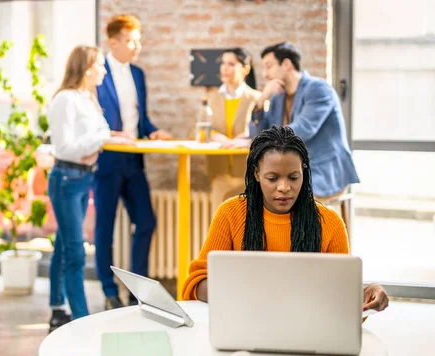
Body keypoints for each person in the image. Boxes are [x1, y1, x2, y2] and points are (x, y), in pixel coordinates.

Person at [181, 125, 389, 313]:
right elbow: (196, 284)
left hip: (308, 327)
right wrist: (250, 293)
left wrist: (365, 293)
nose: (284, 187)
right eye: (272, 178)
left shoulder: (330, 222)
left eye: (293, 177)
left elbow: (341, 298)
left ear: (304, 173)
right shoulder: (231, 213)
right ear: (256, 174)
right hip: (245, 321)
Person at [94, 14, 173, 310]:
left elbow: (141, 116)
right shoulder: (97, 71)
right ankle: (108, 290)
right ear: (113, 42)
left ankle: (138, 289)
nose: (137, 46)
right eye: (131, 40)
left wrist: (153, 131)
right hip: (107, 159)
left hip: (134, 159)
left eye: (138, 39)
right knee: (105, 226)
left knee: (146, 221)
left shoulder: (138, 74)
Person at [47, 46, 123, 332]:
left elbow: (102, 131)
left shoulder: (87, 98)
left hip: (82, 178)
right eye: (100, 66)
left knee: (62, 247)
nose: (104, 71)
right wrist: (97, 141)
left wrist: (101, 138)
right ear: (87, 67)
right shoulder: (65, 100)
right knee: (76, 253)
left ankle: (57, 308)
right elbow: (65, 148)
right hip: (66, 179)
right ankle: (81, 321)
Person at [249, 42, 359, 203]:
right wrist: (261, 100)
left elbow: (304, 130)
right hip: (290, 171)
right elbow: (257, 135)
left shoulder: (318, 89)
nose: (265, 75)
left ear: (286, 64)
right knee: (254, 193)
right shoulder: (277, 96)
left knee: (283, 200)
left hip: (323, 171)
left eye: (269, 66)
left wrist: (264, 140)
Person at [207, 47, 261, 214]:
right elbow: (200, 131)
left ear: (245, 69)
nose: (224, 68)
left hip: (248, 176)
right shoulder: (212, 97)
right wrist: (217, 137)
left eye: (231, 64)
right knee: (221, 230)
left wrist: (246, 140)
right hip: (220, 175)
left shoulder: (256, 99)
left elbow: (264, 134)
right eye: (223, 63)